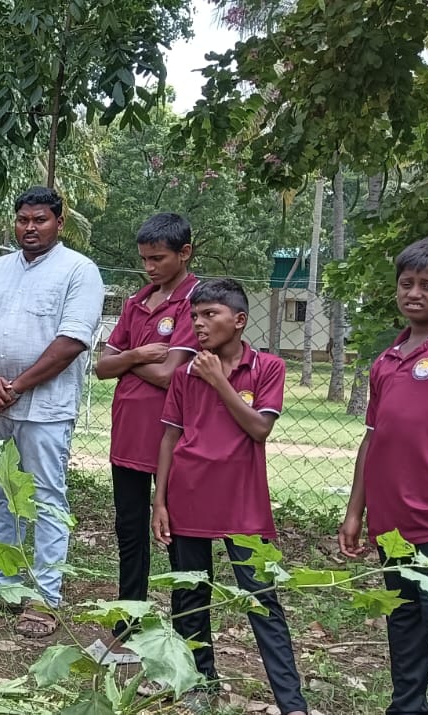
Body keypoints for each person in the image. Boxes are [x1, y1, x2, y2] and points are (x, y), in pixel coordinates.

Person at [152, 279, 305, 715]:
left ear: (238, 321)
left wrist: (220, 382)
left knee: (262, 600)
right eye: (195, 316)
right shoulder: (184, 374)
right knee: (190, 596)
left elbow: (259, 428)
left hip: (244, 506)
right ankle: (200, 685)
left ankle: (291, 702)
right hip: (187, 498)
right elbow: (170, 437)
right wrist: (159, 501)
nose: (199, 324)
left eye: (210, 315)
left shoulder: (268, 368)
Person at [0, 186, 103, 636]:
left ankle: (44, 596)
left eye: (39, 220)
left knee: (46, 500)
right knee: (1, 494)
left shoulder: (79, 271)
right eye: (23, 220)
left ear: (59, 223)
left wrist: (17, 386)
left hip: (45, 407)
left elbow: (73, 340)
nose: (29, 228)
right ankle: (3, 586)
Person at [338, 237, 428, 715]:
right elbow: (373, 437)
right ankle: (407, 707)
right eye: (406, 283)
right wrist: (355, 511)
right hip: (391, 520)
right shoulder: (387, 359)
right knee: (403, 620)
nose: (414, 293)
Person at [91, 212, 198, 661]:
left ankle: (182, 636)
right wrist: (136, 354)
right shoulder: (139, 301)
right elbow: (101, 365)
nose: (150, 267)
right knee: (129, 531)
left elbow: (172, 375)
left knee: (177, 537)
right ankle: (128, 625)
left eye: (158, 259)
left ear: (184, 253)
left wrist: (125, 361)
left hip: (174, 441)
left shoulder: (196, 302)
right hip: (127, 437)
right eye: (144, 260)